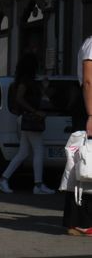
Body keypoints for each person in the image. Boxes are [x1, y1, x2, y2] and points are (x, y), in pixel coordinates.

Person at [0, 52, 55, 195]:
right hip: (29, 118)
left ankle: (3, 179)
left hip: (27, 118)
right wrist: (35, 111)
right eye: (38, 63)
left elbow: (32, 98)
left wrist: (44, 88)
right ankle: (38, 185)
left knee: (23, 152)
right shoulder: (25, 80)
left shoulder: (28, 79)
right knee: (38, 151)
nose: (40, 65)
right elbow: (19, 99)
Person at [63, 35, 92, 235]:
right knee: (86, 162)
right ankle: (82, 221)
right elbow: (88, 81)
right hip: (89, 107)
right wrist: (91, 114)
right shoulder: (91, 45)